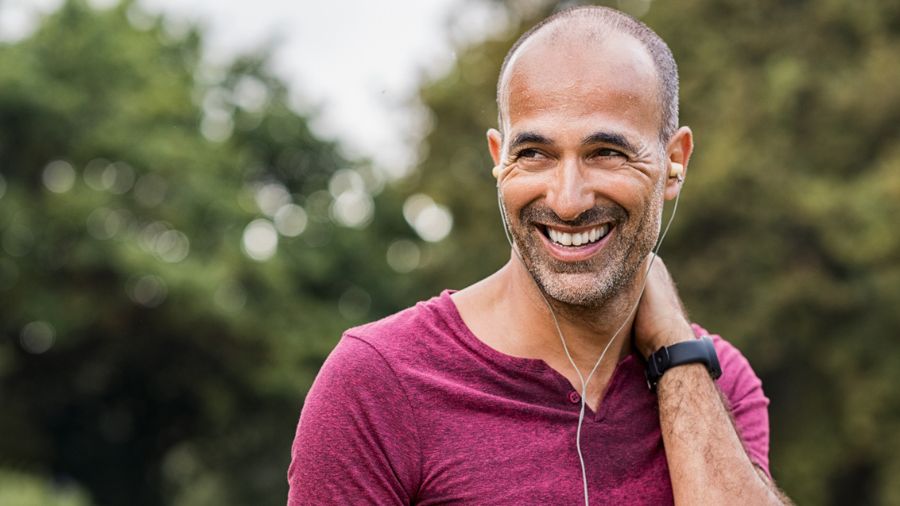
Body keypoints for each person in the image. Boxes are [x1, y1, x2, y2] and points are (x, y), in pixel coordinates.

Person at [288, 6, 790, 505]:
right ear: (498, 160)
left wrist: (674, 347)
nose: (567, 200)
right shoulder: (378, 384)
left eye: (606, 153)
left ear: (674, 162)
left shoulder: (715, 378)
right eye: (534, 154)